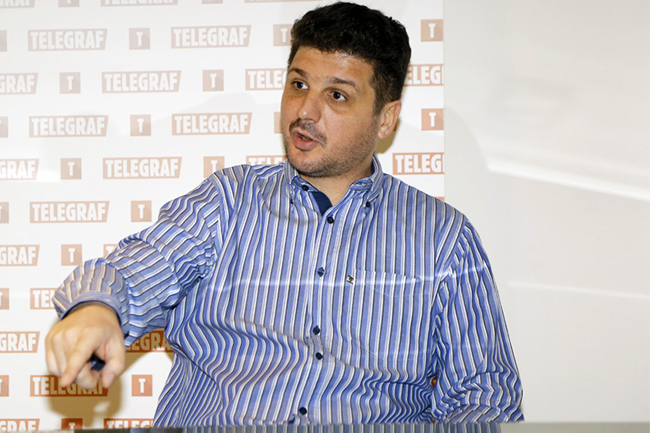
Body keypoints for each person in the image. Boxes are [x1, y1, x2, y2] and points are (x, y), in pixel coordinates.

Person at [46, 1, 524, 426]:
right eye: (298, 84)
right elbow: (140, 269)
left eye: (336, 95)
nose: (305, 111)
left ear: (385, 118)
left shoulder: (443, 238)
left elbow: (485, 395)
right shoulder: (228, 201)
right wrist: (96, 308)